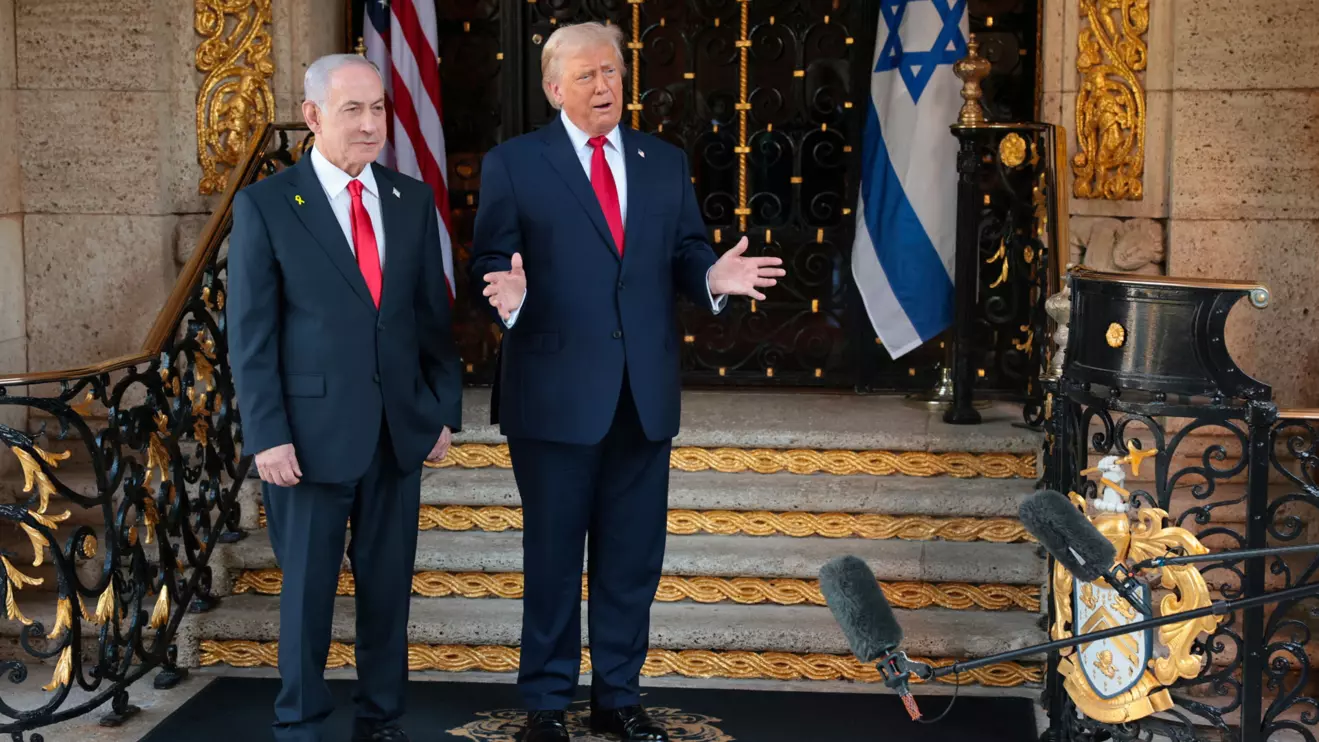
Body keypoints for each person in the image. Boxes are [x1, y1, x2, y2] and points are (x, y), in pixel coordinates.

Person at [471, 22, 784, 742]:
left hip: (640, 394)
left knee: (630, 559)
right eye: (585, 75)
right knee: (552, 557)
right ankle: (546, 703)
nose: (604, 85)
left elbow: (684, 248)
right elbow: (491, 255)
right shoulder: (514, 163)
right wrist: (506, 297)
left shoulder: (660, 161)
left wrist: (709, 274)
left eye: (611, 71)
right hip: (551, 396)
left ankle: (618, 696)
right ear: (554, 89)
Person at [227, 53, 462, 742]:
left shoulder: (409, 199)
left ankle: (382, 717)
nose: (369, 124)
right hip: (304, 437)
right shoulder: (267, 203)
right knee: (306, 592)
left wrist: (439, 409)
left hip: (397, 434)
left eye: (379, 108)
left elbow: (429, 321)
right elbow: (251, 333)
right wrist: (266, 433)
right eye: (352, 109)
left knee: (387, 590)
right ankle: (299, 719)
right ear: (312, 117)